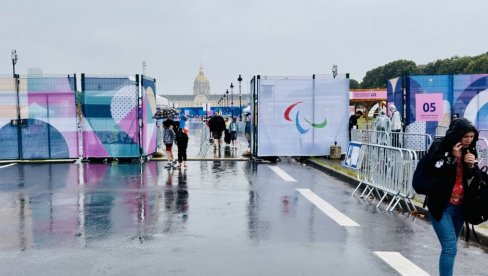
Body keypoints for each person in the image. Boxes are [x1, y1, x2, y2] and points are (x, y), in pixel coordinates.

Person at [423, 118, 478, 276]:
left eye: (471, 136)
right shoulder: (440, 146)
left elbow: (471, 178)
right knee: (449, 248)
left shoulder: (470, 150)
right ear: (457, 134)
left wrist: (470, 166)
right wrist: (453, 158)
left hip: (460, 207)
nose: (468, 140)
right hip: (441, 206)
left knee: (451, 247)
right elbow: (433, 173)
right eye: (465, 136)